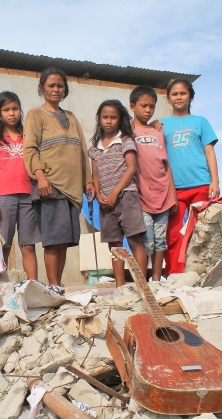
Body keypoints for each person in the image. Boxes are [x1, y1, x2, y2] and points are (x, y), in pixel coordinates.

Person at [23, 67, 96, 286]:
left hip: (72, 190)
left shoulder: (71, 117)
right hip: (50, 185)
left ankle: (58, 284)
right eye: (51, 85)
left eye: (60, 86)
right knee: (53, 241)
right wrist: (40, 176)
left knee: (63, 241)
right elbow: (30, 150)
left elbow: (82, 151)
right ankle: (53, 286)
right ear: (41, 88)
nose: (56, 89)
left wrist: (88, 181)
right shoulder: (36, 114)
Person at [160, 79, 220, 275]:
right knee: (173, 234)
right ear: (168, 98)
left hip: (201, 184)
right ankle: (174, 275)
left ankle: (201, 274)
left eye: (183, 93)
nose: (178, 97)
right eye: (174, 94)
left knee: (201, 232)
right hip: (173, 188)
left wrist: (215, 181)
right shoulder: (161, 125)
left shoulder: (201, 122)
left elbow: (209, 151)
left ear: (190, 96)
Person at [88, 100, 148, 287]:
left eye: (113, 117)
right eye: (105, 117)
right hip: (106, 203)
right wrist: (99, 195)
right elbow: (95, 174)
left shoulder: (125, 140)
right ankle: (120, 287)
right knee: (114, 245)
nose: (108, 121)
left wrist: (115, 193)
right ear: (99, 119)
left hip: (126, 196)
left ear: (120, 119)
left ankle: (141, 285)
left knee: (134, 239)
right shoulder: (95, 146)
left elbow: (131, 168)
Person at [0, 91, 40, 279]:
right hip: (3, 198)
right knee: (3, 245)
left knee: (28, 245)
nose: (11, 113)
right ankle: (0, 289)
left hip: (28, 196)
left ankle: (35, 288)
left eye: (15, 108)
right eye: (6, 109)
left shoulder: (28, 137)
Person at [129, 85, 177, 281]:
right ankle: (143, 281)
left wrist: (172, 194)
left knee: (160, 243)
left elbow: (166, 166)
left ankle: (157, 279)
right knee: (146, 242)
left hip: (162, 195)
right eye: (144, 106)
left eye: (152, 107)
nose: (148, 110)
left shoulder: (158, 132)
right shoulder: (128, 131)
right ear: (132, 106)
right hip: (141, 196)